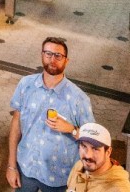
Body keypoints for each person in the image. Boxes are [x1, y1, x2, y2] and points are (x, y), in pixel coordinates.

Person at [7, 37, 94, 192]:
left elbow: (92, 141)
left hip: (60, 177)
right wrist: (12, 166)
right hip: (26, 167)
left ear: (66, 60)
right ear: (42, 55)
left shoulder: (78, 99)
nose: (52, 59)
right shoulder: (25, 85)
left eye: (58, 55)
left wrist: (71, 129)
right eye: (48, 54)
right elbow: (16, 126)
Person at [65, 123, 130, 191]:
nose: (88, 155)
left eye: (95, 149)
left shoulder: (119, 188)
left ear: (108, 152)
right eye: (84, 146)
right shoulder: (79, 165)